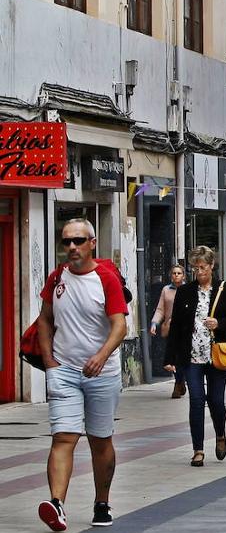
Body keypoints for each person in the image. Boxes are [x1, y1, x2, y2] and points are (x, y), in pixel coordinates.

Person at [35, 220, 129, 531]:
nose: (72, 247)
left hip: (102, 372)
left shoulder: (105, 279)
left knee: (100, 440)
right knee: (63, 436)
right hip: (63, 370)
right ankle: (57, 505)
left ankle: (102, 502)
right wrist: (49, 360)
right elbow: (45, 319)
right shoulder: (56, 277)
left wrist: (101, 357)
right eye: (66, 242)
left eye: (78, 241)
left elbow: (120, 326)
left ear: (92, 243)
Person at [164, 246, 226, 469]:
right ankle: (197, 449)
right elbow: (177, 325)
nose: (199, 271)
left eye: (203, 267)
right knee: (197, 400)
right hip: (192, 356)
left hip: (217, 354)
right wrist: (170, 357)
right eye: (195, 268)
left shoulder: (224, 289)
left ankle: (220, 434)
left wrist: (220, 323)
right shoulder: (186, 291)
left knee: (216, 400)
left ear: (211, 266)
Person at [149, 263, 187, 398]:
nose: (176, 275)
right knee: (174, 358)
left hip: (186, 330)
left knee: (182, 358)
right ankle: (179, 382)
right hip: (170, 329)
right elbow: (160, 309)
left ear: (183, 275)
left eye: (179, 273)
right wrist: (154, 323)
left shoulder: (189, 289)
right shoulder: (166, 290)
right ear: (171, 276)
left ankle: (179, 381)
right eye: (174, 273)